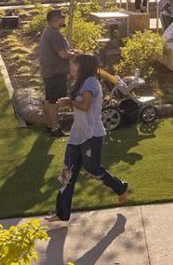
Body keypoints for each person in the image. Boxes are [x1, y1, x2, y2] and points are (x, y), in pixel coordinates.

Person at [44, 54, 130, 224]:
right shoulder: (82, 82)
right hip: (77, 134)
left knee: (93, 169)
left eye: (74, 65)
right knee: (67, 173)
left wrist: (69, 102)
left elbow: (85, 106)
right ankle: (61, 213)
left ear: (83, 66)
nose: (72, 67)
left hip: (92, 135)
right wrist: (68, 102)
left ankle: (121, 188)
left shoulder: (91, 82)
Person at [39, 10, 72, 138]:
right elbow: (63, 54)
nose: (64, 19)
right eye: (63, 17)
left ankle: (49, 125)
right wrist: (75, 55)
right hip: (56, 72)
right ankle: (54, 128)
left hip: (49, 71)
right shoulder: (54, 34)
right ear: (56, 19)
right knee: (54, 101)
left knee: (48, 99)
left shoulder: (47, 31)